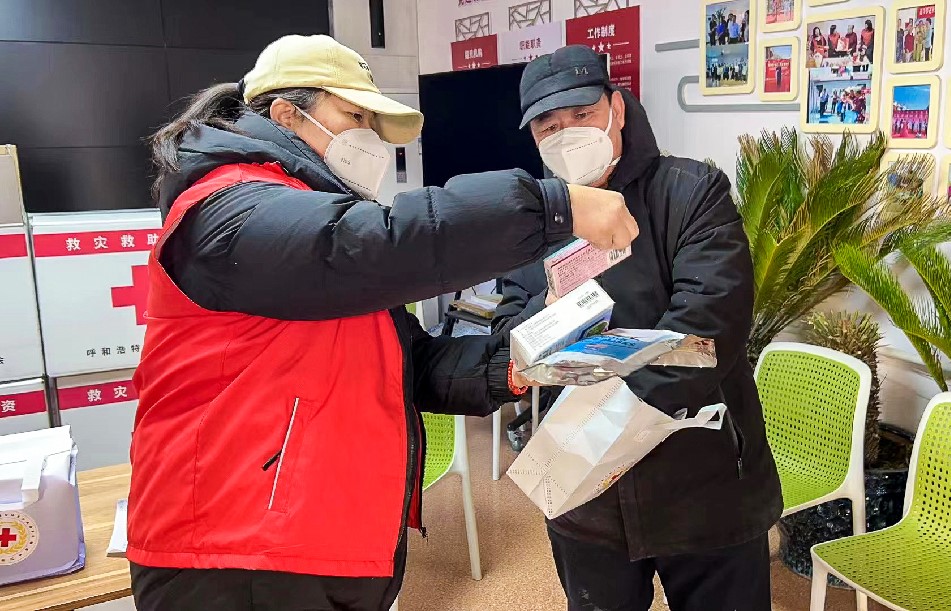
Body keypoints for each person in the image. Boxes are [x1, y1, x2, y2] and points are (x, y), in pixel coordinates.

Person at [126, 35, 637, 611]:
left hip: (321, 540)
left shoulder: (318, 230)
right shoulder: (228, 207)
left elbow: (406, 363)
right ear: (286, 114)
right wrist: (554, 206)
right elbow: (370, 242)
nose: (367, 137)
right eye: (355, 116)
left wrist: (516, 364)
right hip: (233, 552)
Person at [496, 45, 783, 611]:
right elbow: (511, 330)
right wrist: (549, 311)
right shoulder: (528, 222)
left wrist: (610, 424)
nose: (567, 134)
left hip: (702, 484)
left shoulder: (692, 191)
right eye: (549, 126)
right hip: (586, 498)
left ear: (617, 109)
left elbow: (709, 324)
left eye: (582, 114)